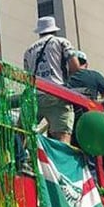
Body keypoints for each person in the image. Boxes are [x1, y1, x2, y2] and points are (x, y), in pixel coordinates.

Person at [23, 16, 80, 144]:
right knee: (62, 136)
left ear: (39, 31)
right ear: (54, 29)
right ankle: (60, 163)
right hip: (57, 93)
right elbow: (75, 67)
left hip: (34, 96)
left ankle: (21, 160)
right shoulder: (61, 42)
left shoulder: (28, 51)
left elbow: (27, 76)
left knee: (23, 132)